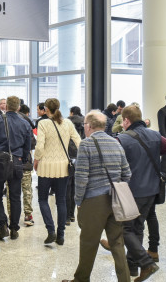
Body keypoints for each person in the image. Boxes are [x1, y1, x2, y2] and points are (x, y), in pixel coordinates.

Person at [61, 110, 131, 282]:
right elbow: (127, 174)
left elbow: (81, 176)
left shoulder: (86, 144)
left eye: (84, 124)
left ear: (89, 126)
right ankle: (125, 279)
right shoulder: (116, 143)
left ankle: (81, 279)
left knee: (88, 242)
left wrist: (78, 201)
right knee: (117, 243)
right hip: (115, 199)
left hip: (94, 201)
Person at [115, 104, 166, 280]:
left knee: (125, 229)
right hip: (152, 189)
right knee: (138, 227)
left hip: (132, 190)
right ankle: (132, 266)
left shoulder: (122, 139)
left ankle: (146, 263)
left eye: (123, 121)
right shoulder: (155, 135)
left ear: (126, 120)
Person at [0, 96, 32, 241]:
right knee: (15, 196)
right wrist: (23, 157)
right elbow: (28, 146)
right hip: (17, 162)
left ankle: (2, 226)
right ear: (19, 107)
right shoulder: (24, 123)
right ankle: (14, 228)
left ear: (6, 106)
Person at [34, 98, 81, 245]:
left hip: (45, 167)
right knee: (61, 201)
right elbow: (78, 140)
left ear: (46, 109)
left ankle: (51, 231)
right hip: (63, 167)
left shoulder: (43, 123)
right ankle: (61, 235)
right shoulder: (67, 123)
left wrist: (36, 159)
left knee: (43, 199)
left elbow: (40, 146)